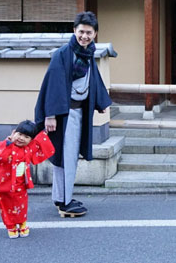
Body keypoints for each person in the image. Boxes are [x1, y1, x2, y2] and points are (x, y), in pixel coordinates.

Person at [35, 11, 112, 218]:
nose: (84, 36)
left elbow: (94, 80)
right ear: (74, 31)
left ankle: (61, 197)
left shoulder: (88, 54)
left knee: (67, 157)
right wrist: (50, 115)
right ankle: (65, 202)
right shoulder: (63, 54)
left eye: (89, 32)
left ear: (95, 34)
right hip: (64, 115)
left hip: (79, 113)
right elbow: (53, 84)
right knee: (65, 157)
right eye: (81, 32)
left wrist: (100, 102)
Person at [0, 120, 55, 239]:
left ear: (30, 140)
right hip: (5, 184)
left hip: (20, 184)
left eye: (26, 137)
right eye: (20, 134)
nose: (21, 138)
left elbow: (41, 144)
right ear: (14, 132)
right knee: (6, 205)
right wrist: (8, 142)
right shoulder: (4, 145)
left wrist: (42, 134)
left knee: (21, 204)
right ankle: (11, 226)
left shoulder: (28, 148)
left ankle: (22, 223)